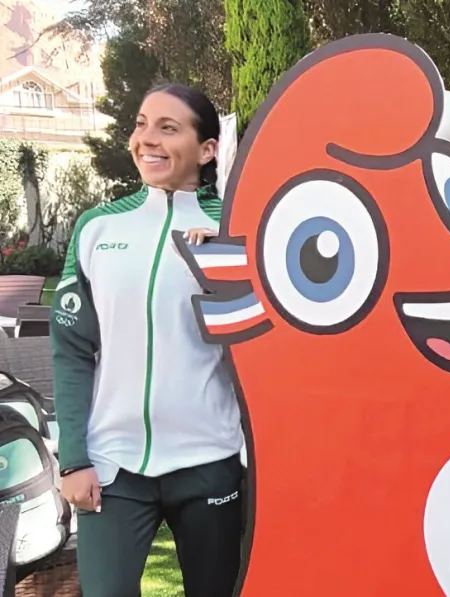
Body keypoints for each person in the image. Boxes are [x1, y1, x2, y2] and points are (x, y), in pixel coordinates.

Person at [50, 83, 245, 596]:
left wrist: (223, 280)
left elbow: (262, 352)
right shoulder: (97, 228)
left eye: (167, 127)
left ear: (207, 150)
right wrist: (74, 457)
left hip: (209, 462)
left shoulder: (235, 226)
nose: (146, 140)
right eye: (140, 124)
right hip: (113, 467)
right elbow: (72, 350)